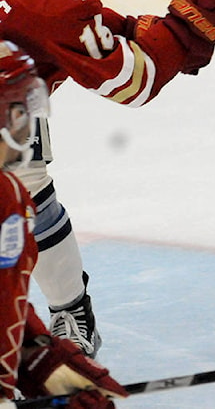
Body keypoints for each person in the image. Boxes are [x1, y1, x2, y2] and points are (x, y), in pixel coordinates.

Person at [0, 0, 215, 357]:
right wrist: (183, 31)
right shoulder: (56, 5)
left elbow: (66, 19)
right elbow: (132, 83)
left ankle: (68, 314)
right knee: (30, 209)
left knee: (29, 208)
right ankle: (71, 313)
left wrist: (142, 30)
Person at [0, 40, 127, 408]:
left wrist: (40, 360)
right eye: (14, 110)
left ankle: (72, 311)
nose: (25, 129)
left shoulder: (9, 196)